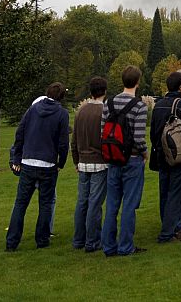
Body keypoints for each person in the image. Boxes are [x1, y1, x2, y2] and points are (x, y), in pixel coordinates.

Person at [6, 83, 69, 252]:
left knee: (20, 203)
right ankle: (42, 240)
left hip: (28, 162)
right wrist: (61, 163)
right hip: (48, 163)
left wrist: (17, 157)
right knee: (46, 204)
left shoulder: (33, 109)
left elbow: (20, 133)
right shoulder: (62, 114)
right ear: (61, 97)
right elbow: (63, 143)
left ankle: (12, 242)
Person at [101, 65, 149, 257]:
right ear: (138, 82)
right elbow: (138, 138)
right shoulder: (138, 106)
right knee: (129, 204)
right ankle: (125, 245)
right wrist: (145, 154)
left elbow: (102, 132)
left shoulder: (109, 103)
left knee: (112, 203)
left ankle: (108, 246)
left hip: (113, 158)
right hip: (132, 159)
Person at [150, 71, 181, 244]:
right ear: (180, 86)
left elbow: (153, 132)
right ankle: (167, 233)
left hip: (161, 154)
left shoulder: (158, 105)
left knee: (164, 192)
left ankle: (168, 226)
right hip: (179, 155)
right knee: (176, 193)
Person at [71, 76, 109, 253]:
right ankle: (92, 241)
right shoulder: (105, 112)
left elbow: (74, 139)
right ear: (105, 91)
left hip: (83, 160)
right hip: (99, 161)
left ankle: (79, 239)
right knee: (95, 202)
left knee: (82, 201)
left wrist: (76, 160)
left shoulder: (81, 112)